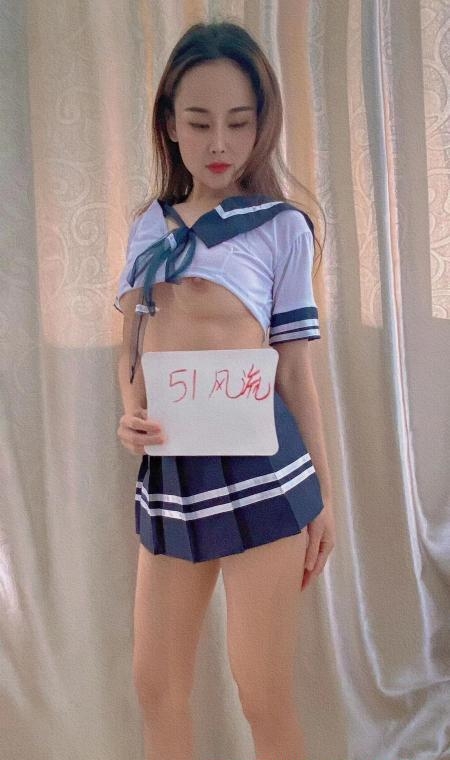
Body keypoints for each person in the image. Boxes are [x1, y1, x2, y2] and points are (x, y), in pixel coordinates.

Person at [114, 19, 335, 760]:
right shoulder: (147, 227)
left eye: (239, 122)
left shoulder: (281, 228)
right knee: (155, 685)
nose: (219, 142)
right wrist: (130, 412)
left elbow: (296, 371)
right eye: (200, 121)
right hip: (172, 473)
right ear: (169, 123)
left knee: (261, 690)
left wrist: (325, 498)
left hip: (262, 470)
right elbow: (131, 342)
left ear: (261, 124)